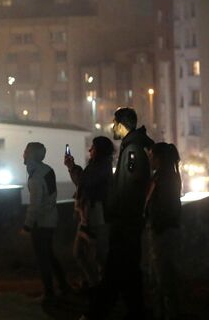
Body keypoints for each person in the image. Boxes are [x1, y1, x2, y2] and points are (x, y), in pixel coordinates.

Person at [85, 107, 154, 320]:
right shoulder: (134, 145)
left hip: (126, 223)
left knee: (116, 272)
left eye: (113, 123)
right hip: (128, 222)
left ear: (121, 124)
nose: (111, 127)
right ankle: (136, 312)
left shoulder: (132, 148)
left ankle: (96, 314)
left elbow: (131, 187)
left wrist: (121, 216)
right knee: (128, 273)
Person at [22, 142, 70, 304]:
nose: (23, 154)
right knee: (49, 255)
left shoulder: (36, 176)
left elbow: (35, 204)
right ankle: (64, 287)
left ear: (31, 155)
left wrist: (27, 225)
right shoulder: (47, 170)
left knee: (43, 258)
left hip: (41, 223)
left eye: (26, 152)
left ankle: (49, 293)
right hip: (50, 219)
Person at [65, 137, 114, 291]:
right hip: (87, 215)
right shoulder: (96, 166)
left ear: (98, 150)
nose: (89, 150)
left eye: (92, 147)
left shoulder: (101, 166)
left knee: (94, 253)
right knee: (82, 252)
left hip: (94, 215)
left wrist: (72, 167)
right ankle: (95, 283)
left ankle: (98, 285)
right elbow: (83, 182)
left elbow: (84, 182)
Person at [146, 143, 182, 320]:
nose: (149, 159)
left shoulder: (163, 178)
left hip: (162, 232)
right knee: (160, 278)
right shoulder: (169, 176)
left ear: (159, 158)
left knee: (163, 279)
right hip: (164, 231)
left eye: (152, 156)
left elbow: (162, 206)